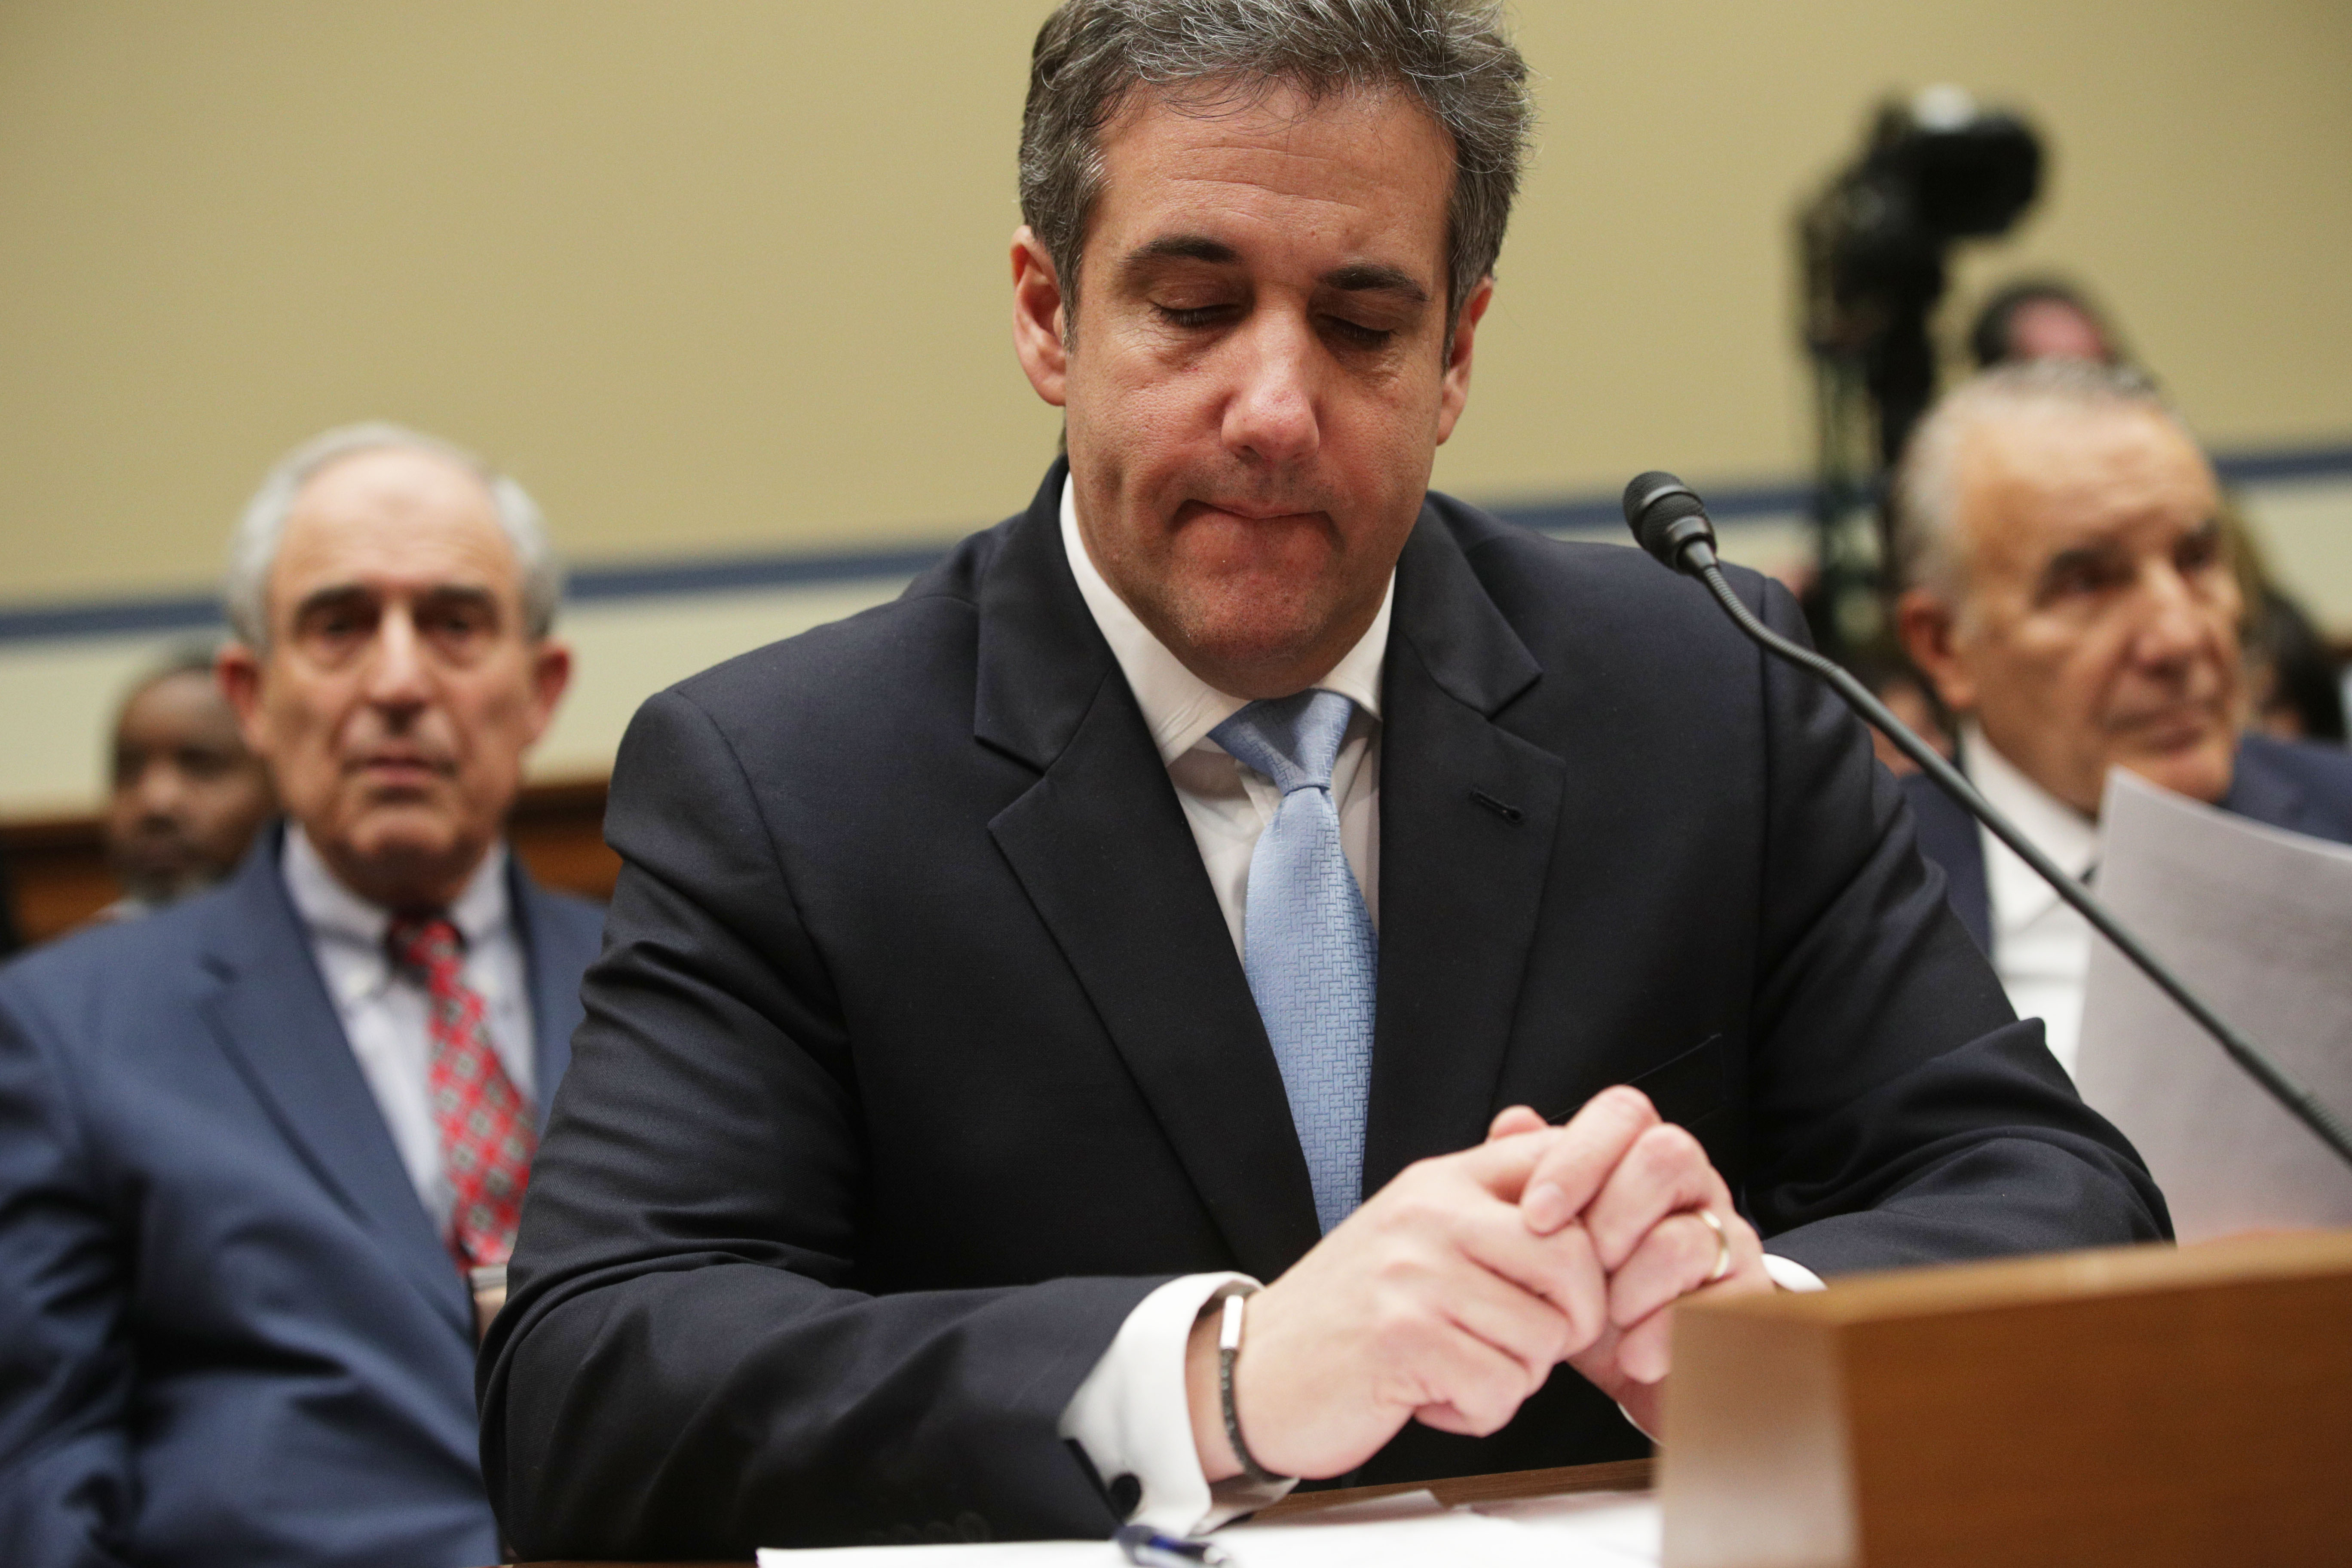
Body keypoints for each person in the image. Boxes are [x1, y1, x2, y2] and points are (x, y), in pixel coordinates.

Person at [481, 3, 2164, 1556]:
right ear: (1048, 315)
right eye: (1194, 308)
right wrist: (1213, 1375)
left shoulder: (1703, 694)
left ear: (1457, 356)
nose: (1274, 408)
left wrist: (1763, 1316)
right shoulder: (789, 778)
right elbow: (595, 1384)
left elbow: (2062, 1194)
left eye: (1362, 323)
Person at [0, 424, 603, 1568]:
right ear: (253, 697)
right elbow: (39, 1476)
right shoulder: (65, 1032)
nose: (397, 681)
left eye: (454, 624)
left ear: (542, 690)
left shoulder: (679, 986)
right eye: (339, 627)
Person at [1890, 361, 2352, 1074]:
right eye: (2087, 583)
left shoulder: (2339, 819)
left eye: (2195, 559)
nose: (2178, 638)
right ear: (1943, 644)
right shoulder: (1853, 897)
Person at [96, 644, 278, 920]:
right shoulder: (85, 958)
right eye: (130, 771)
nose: (156, 802)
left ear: (281, 786)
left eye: (201, 765)